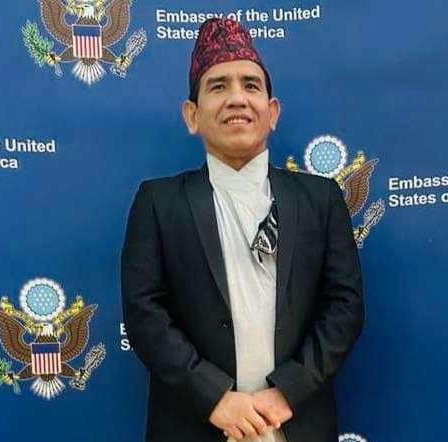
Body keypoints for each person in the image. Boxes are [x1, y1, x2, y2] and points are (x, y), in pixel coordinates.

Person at [121, 18, 363, 442]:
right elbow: (145, 315)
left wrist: (287, 392)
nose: (237, 98)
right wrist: (214, 397)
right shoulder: (158, 202)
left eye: (251, 85)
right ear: (192, 115)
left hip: (295, 423)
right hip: (195, 425)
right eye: (218, 86)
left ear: (272, 112)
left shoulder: (320, 200)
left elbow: (344, 307)